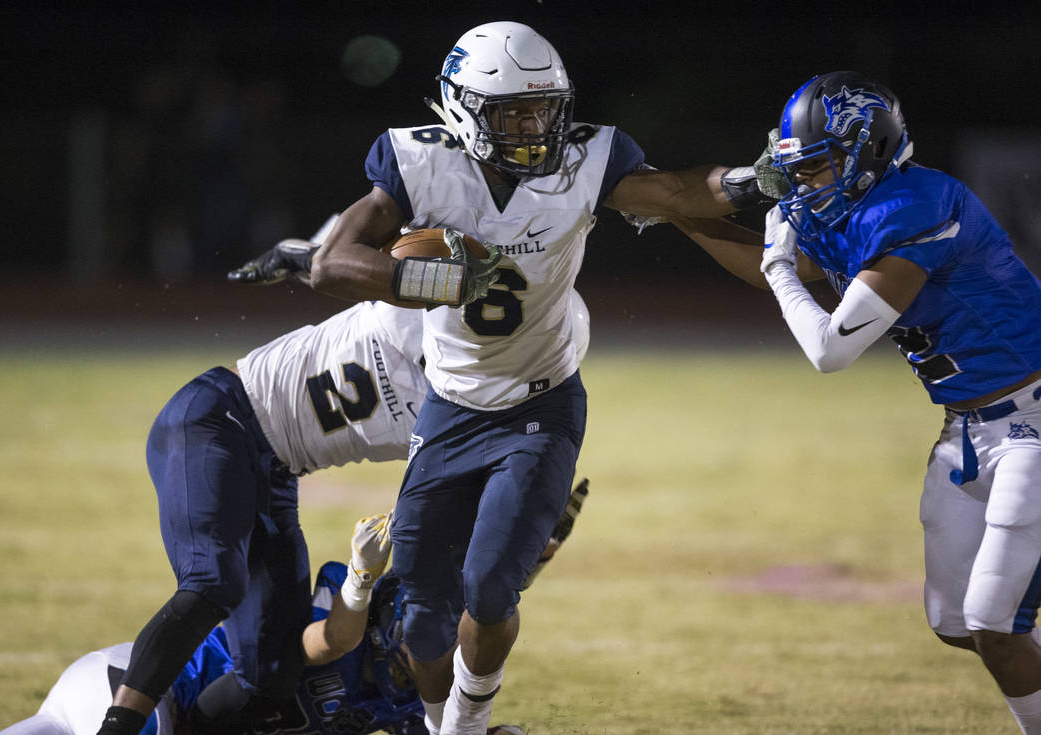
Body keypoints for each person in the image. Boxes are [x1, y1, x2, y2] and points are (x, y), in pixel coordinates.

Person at [295, 20, 765, 735]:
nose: (535, 128)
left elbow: (673, 193)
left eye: (545, 109)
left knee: (487, 585)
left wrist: (751, 181)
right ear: (463, 107)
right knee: (421, 614)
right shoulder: (420, 163)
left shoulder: (587, 159)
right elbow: (332, 262)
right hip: (448, 407)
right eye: (515, 112)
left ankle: (465, 726)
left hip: (539, 403)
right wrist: (431, 277)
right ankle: (434, 724)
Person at [94, 213, 594, 735]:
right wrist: (306, 255)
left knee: (272, 676)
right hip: (222, 417)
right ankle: (119, 726)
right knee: (212, 582)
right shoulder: (421, 309)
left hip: (279, 472)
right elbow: (368, 253)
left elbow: (474, 546)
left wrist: (531, 544)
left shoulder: (479, 412)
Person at [678, 70, 1041, 734]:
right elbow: (781, 258)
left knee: (996, 624)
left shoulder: (919, 206)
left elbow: (828, 349)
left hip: (1034, 424)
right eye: (801, 169)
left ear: (867, 150)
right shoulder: (856, 209)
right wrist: (685, 217)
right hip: (967, 429)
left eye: (819, 166)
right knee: (957, 622)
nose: (808, 184)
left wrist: (780, 266)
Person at [3, 487, 589, 735]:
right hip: (143, 692)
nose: (431, 654)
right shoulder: (347, 617)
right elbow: (325, 642)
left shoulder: (410, 701)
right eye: (426, 637)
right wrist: (360, 581)